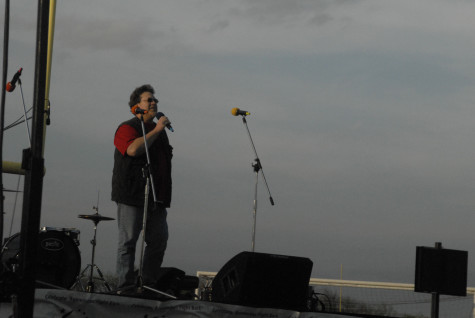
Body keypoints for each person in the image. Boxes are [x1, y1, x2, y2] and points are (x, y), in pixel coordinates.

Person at [112, 84, 173, 288]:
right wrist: (157, 129)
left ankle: (147, 282)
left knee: (159, 240)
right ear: (136, 106)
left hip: (157, 197)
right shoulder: (127, 127)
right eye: (149, 100)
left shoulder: (160, 133)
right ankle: (125, 286)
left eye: (155, 100)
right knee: (128, 242)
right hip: (132, 194)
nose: (155, 102)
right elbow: (132, 150)